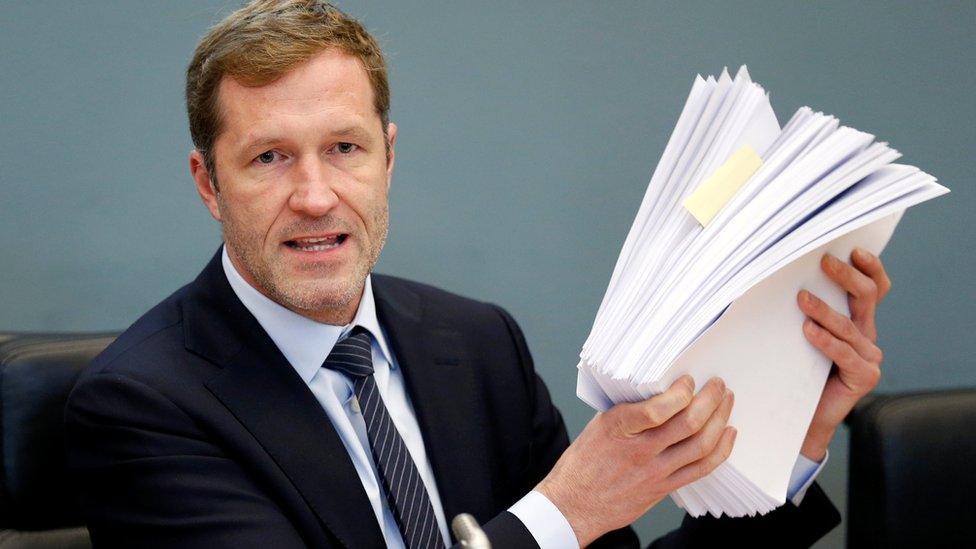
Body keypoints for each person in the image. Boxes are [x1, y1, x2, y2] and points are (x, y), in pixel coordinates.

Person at [64, 1, 892, 547]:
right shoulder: (140, 403)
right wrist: (563, 512)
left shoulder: (477, 341)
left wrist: (797, 433)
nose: (315, 196)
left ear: (389, 159)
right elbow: (563, 526)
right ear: (209, 183)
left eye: (345, 149)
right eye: (269, 158)